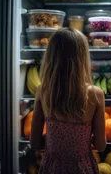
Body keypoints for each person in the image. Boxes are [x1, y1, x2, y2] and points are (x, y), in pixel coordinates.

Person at [30, 28, 106, 174]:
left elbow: (34, 143)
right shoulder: (96, 94)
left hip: (52, 167)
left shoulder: (43, 91)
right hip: (82, 167)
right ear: (83, 57)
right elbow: (100, 146)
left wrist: (55, 139)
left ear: (50, 57)